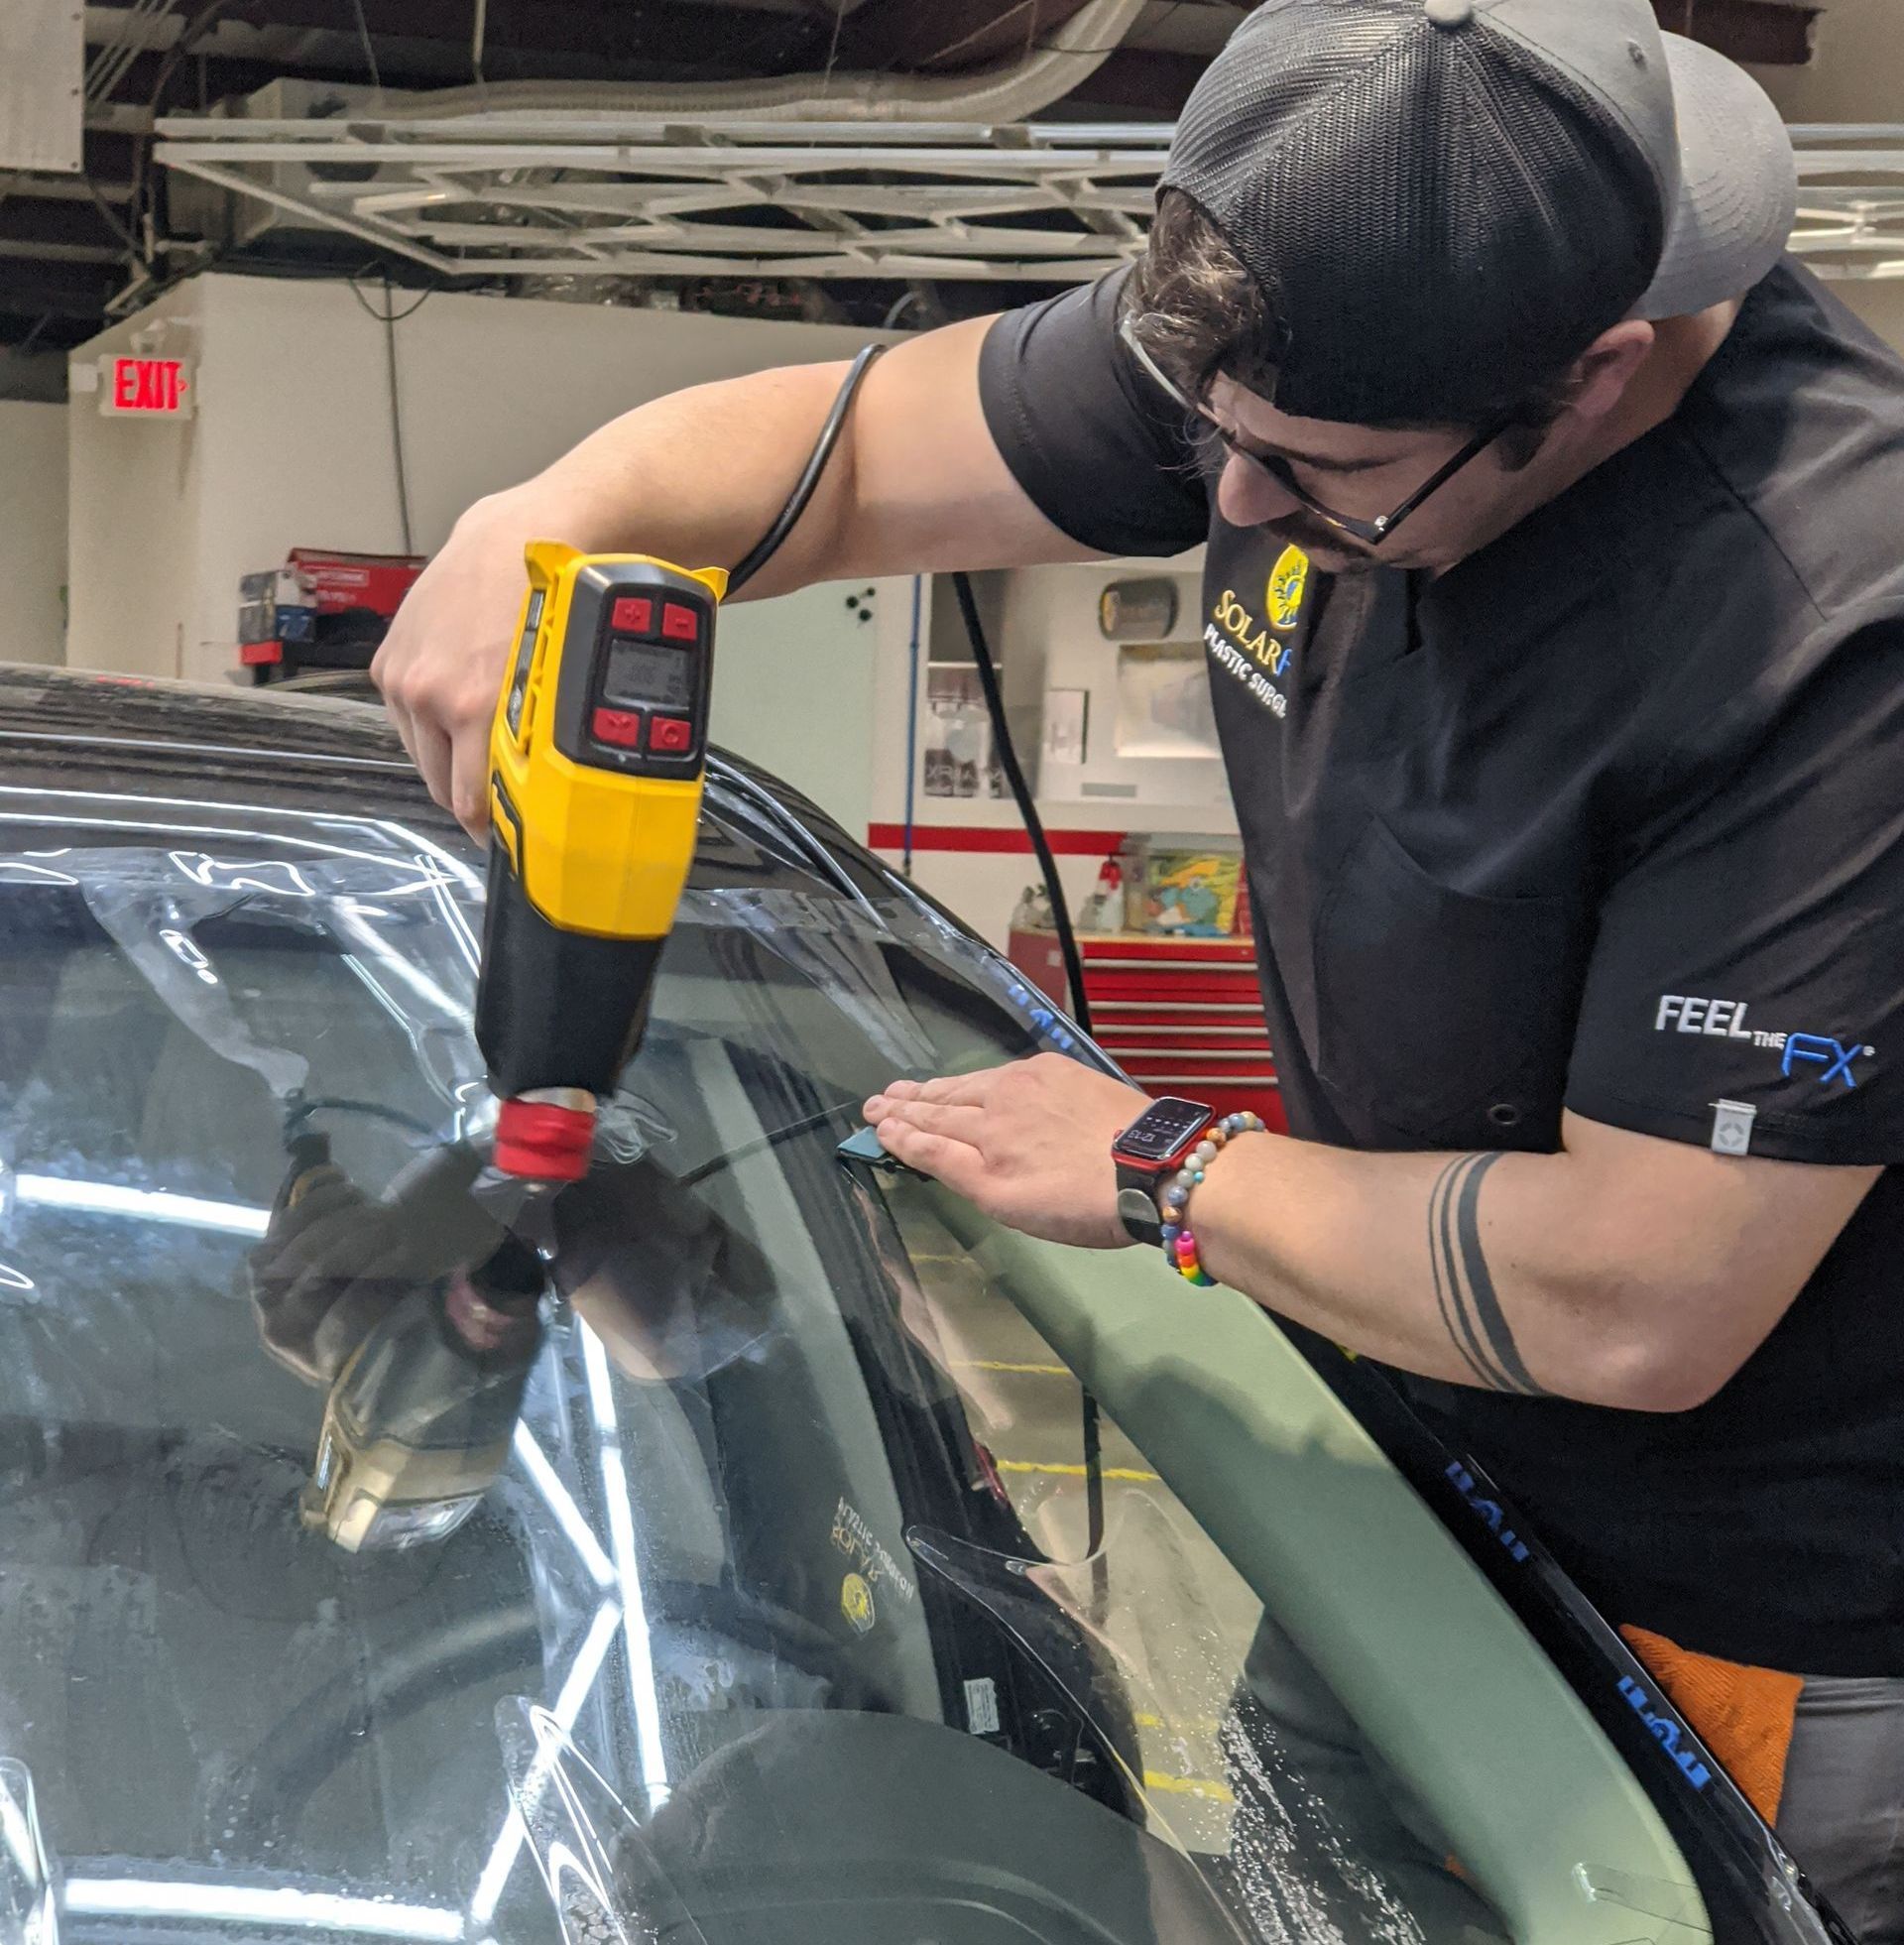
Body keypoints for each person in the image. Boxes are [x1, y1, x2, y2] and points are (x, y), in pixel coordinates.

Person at [373, 1, 1904, 1929]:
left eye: (1319, 471)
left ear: (1591, 378)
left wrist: (1162, 1166)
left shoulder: (1828, 637)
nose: (1234, 506)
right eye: (1217, 445)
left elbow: (1635, 1304)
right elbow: (842, 466)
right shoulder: (1326, 326)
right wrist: (545, 516)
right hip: (1416, 1507)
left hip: (1736, 1637)